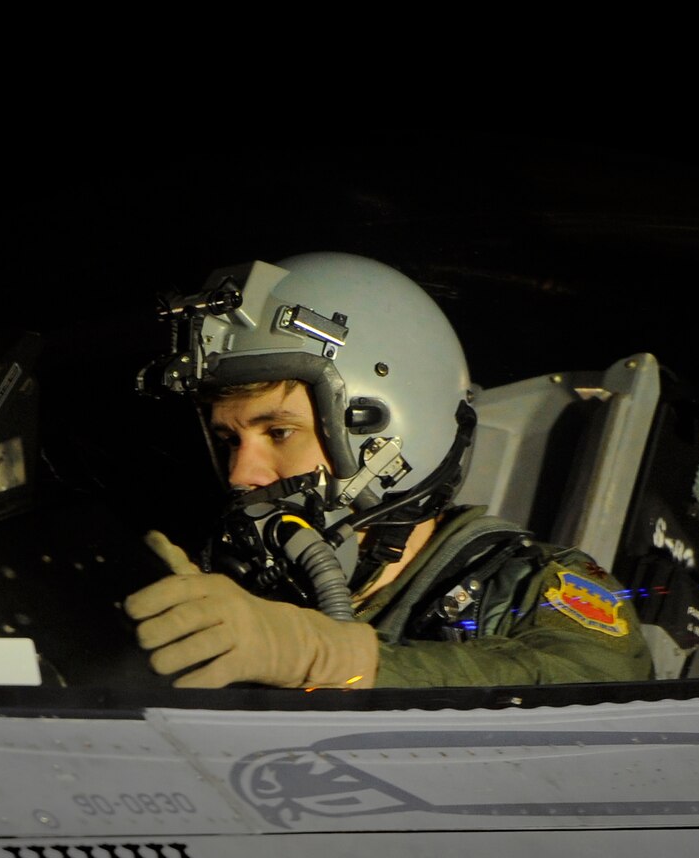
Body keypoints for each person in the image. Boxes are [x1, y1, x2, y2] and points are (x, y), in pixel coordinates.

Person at [126, 252, 653, 690]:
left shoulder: (526, 585)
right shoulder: (247, 600)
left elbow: (597, 684)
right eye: (229, 441)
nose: (242, 474)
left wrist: (326, 657)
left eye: (279, 432)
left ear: (391, 437)